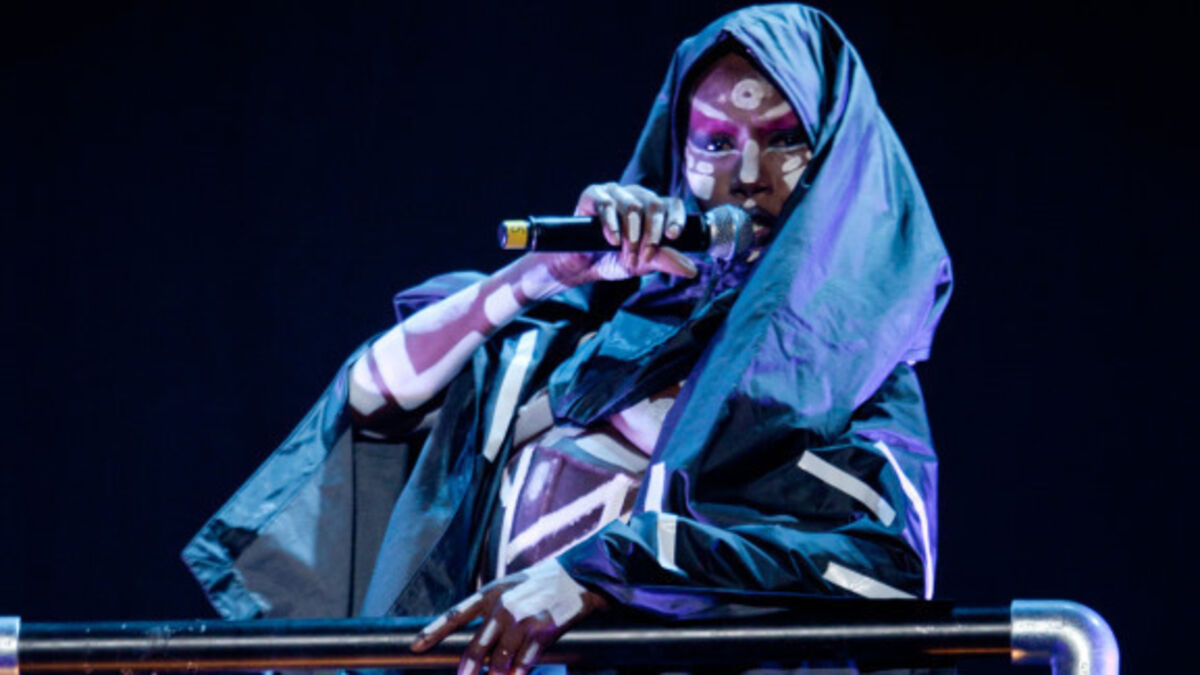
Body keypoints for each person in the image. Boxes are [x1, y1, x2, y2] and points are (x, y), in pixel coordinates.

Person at [183, 5, 953, 674]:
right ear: (678, 154)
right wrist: (539, 276)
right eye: (716, 142)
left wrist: (603, 572)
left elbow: (885, 571)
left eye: (782, 138)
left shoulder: (852, 381)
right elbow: (372, 400)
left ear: (837, 158)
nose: (747, 174)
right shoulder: (574, 338)